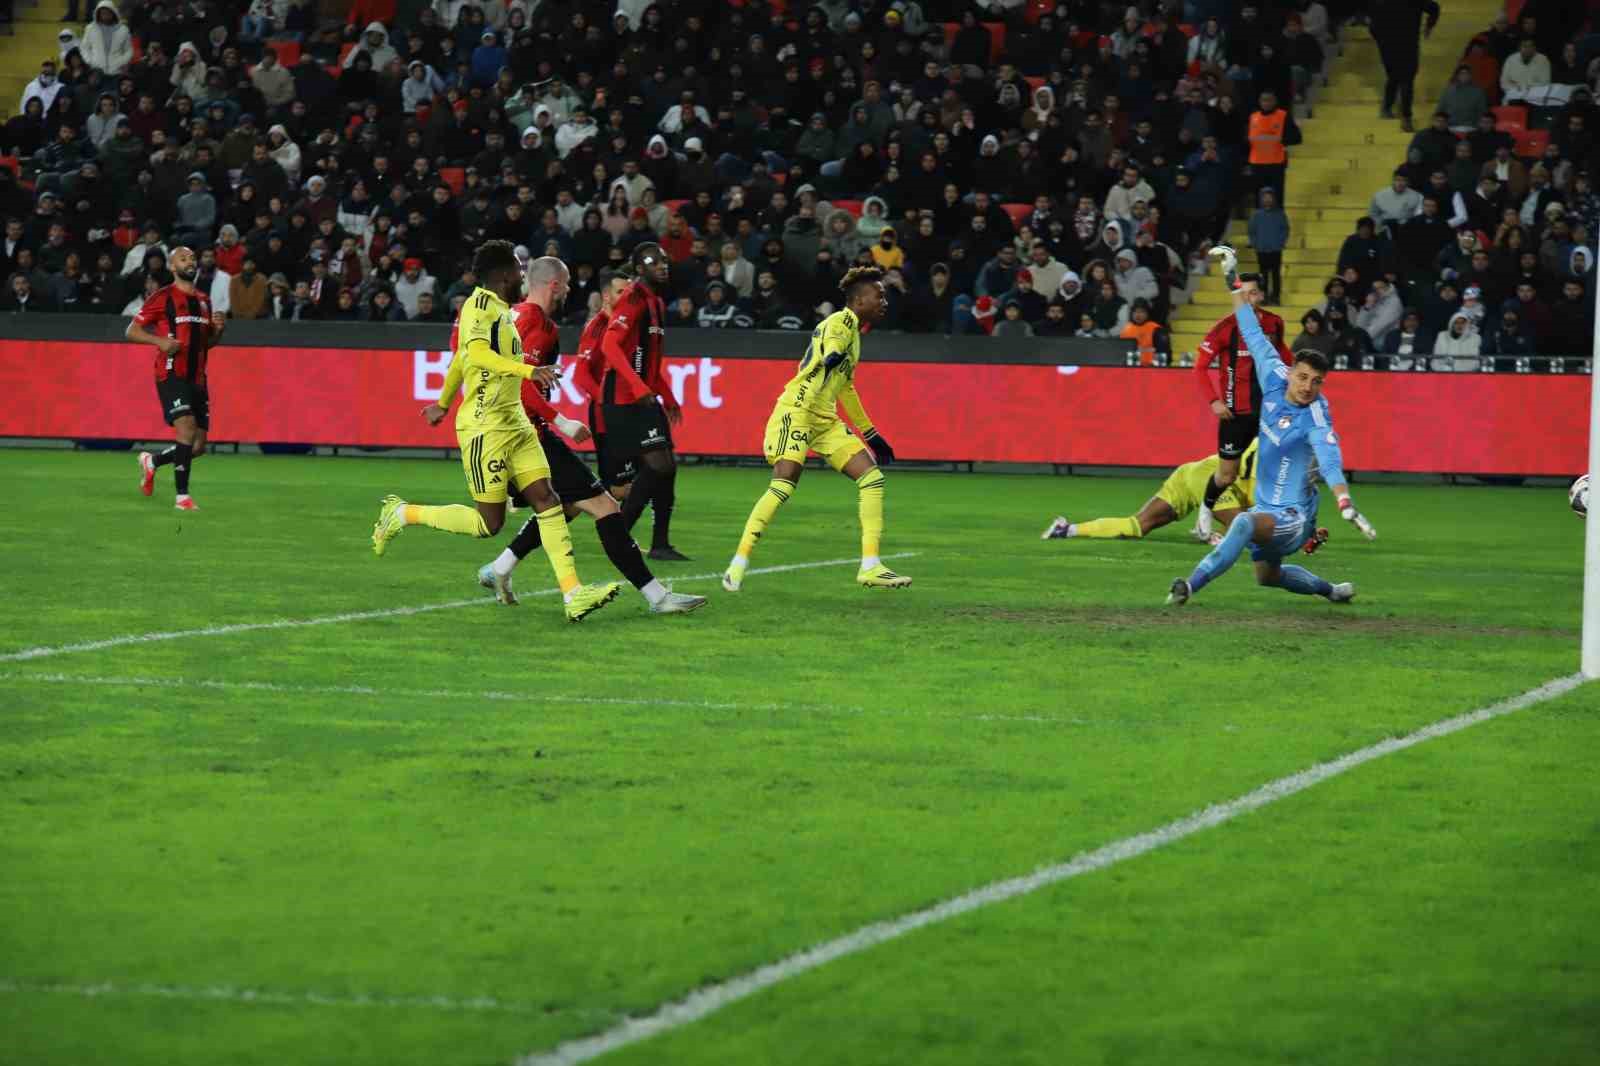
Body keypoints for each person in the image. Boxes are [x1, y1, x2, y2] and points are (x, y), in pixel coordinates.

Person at [423, 256, 703, 616]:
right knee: (603, 505)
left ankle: (501, 568)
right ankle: (654, 597)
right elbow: (518, 384)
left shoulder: (518, 317)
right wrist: (562, 421)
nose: (571, 289)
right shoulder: (533, 324)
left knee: (561, 506)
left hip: (510, 432)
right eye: (567, 283)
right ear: (554, 284)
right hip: (523, 436)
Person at [370, 239, 622, 623]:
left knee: (548, 500)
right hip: (485, 429)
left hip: (517, 425)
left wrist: (441, 401)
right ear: (504, 275)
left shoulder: (506, 312)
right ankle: (403, 513)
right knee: (489, 524)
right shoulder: (478, 307)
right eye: (520, 271)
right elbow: (476, 355)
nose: (524, 276)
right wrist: (526, 371)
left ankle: (574, 594)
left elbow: (461, 360)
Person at [1167, 246, 1377, 607]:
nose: (1307, 386)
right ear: (1291, 371)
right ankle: (1333, 591)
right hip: (1269, 506)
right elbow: (1248, 324)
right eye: (1303, 377)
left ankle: (1189, 585)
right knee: (1268, 577)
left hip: (1295, 518)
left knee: (1244, 523)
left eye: (1315, 382)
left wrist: (1344, 502)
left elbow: (1329, 460)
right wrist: (1232, 276)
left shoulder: (1316, 417)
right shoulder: (1274, 375)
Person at [721, 266, 910, 593]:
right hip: (796, 411)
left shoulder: (857, 336)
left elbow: (846, 388)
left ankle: (870, 565)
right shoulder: (840, 322)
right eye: (878, 295)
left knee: (872, 478)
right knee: (784, 483)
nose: (884, 301)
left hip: (825, 419)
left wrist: (871, 434)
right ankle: (738, 563)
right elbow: (829, 347)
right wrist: (833, 354)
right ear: (858, 300)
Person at [596, 242, 689, 560]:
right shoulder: (633, 299)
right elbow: (610, 345)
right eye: (653, 262)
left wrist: (669, 394)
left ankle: (660, 544)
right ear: (638, 269)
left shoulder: (656, 303)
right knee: (658, 466)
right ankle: (617, 535)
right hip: (623, 399)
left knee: (667, 468)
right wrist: (637, 387)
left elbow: (649, 361)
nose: (662, 266)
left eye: (664, 261)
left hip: (642, 397)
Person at [1191, 271, 1292, 539]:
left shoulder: (1274, 324)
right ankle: (1204, 514)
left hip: (1269, 414)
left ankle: (1285, 527)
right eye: (1242, 293)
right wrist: (1214, 401)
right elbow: (1199, 368)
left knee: (1276, 470)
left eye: (1251, 293)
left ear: (1259, 295)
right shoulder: (1225, 328)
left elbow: (1285, 358)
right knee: (1226, 475)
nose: (1246, 299)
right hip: (1236, 415)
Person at [127, 246, 225, 511]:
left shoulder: (204, 300)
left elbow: (207, 344)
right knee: (187, 428)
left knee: (197, 446)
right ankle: (183, 497)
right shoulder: (163, 296)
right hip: (171, 373)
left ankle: (153, 462)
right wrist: (159, 342)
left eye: (193, 258)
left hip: (198, 378)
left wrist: (219, 331)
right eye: (183, 258)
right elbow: (132, 330)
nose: (190, 261)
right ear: (172, 266)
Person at [1042, 440, 1263, 546]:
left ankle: (1066, 530)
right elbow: (1258, 501)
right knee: (1251, 532)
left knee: (1137, 526)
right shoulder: (1270, 449)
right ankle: (1214, 536)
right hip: (1207, 477)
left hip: (1190, 472)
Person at [1370, 0, 1440, 131]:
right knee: (1402, 78)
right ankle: (1400, 113)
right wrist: (1429, 26)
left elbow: (1373, 26)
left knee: (1401, 78)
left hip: (1397, 44)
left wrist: (1380, 40)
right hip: (1401, 44)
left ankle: (1394, 111)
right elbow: (1434, 8)